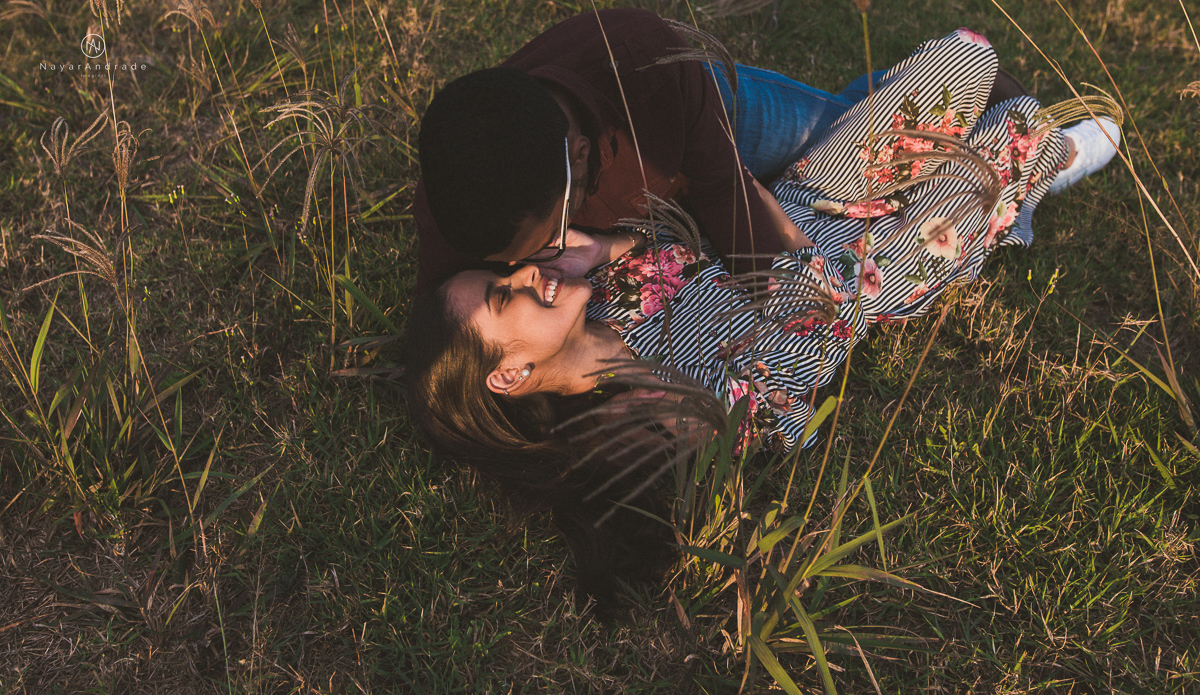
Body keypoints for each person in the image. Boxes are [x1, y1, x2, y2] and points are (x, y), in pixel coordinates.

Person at [405, 29, 1121, 612]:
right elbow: (806, 365)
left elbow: (683, 238)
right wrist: (782, 247)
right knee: (1020, 125)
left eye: (509, 276)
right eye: (506, 294)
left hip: (797, 202)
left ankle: (990, 181)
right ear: (511, 373)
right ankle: (1022, 183)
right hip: (869, 272)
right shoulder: (654, 415)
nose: (529, 271)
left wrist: (609, 243)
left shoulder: (593, 282)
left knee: (969, 56)